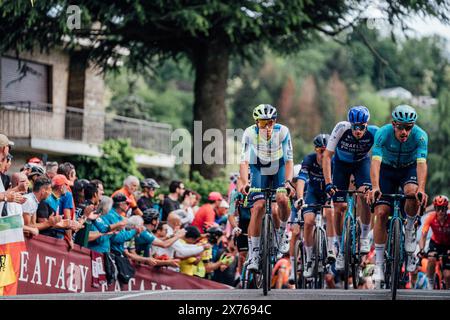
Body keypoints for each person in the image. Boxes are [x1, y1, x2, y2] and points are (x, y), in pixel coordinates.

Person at [369, 104, 428, 284]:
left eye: (408, 127)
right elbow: (375, 163)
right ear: (393, 124)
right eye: (401, 127)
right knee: (381, 213)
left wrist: (421, 189)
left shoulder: (420, 136)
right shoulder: (383, 134)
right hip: (386, 170)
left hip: (407, 170)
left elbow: (421, 164)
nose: (404, 132)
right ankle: (378, 265)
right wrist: (375, 186)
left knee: (412, 193)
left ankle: (409, 228)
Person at [239, 104, 294, 271]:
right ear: (256, 123)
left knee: (282, 199)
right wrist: (245, 182)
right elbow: (244, 161)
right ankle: (254, 254)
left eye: (270, 122)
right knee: (258, 207)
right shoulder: (249, 133)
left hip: (278, 167)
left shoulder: (283, 131)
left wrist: (288, 182)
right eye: (263, 124)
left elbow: (288, 160)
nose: (267, 127)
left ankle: (282, 233)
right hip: (258, 168)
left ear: (275, 121)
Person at [323, 106, 378, 270]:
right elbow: (327, 156)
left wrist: (376, 185)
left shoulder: (375, 132)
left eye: (362, 127)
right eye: (355, 126)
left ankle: (364, 237)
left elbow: (379, 159)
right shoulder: (341, 128)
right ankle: (340, 247)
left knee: (365, 195)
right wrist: (328, 182)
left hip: (362, 164)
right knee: (339, 207)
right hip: (341, 165)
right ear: (350, 124)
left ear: (366, 125)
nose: (358, 130)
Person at [293, 134, 336, 278]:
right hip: (313, 192)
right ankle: (310, 258)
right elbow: (301, 179)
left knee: (330, 213)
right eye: (320, 151)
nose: (323, 154)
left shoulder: (334, 161)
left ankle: (330, 249)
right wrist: (299, 198)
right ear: (316, 150)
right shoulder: (309, 159)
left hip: (328, 192)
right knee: (309, 221)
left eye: (326, 150)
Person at [418, 195, 450, 289]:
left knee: (447, 275)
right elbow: (423, 235)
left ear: (446, 209)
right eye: (438, 209)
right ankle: (430, 282)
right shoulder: (431, 217)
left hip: (448, 246)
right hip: (435, 243)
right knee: (431, 258)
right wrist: (421, 249)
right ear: (435, 209)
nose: (440, 212)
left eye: (443, 209)